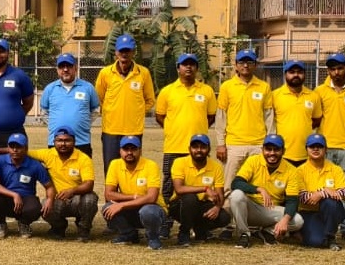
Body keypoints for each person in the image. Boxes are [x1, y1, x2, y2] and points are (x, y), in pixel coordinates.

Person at [154, 53, 217, 237]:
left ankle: (197, 224)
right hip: (174, 147)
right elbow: (159, 116)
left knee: (199, 189)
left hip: (199, 149)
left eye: (192, 64)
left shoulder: (206, 91)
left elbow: (211, 116)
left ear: (196, 68)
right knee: (169, 187)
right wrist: (173, 129)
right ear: (178, 68)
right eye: (184, 64)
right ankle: (166, 224)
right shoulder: (167, 91)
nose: (188, 67)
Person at [313, 53, 345, 242]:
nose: (336, 72)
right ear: (328, 71)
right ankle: (325, 226)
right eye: (332, 69)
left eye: (340, 68)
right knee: (323, 188)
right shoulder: (319, 91)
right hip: (325, 148)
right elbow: (315, 118)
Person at [216, 49, 274, 202]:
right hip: (234, 145)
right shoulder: (227, 87)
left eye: (249, 62)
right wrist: (221, 144)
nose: (245, 65)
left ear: (255, 65)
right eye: (242, 62)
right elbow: (221, 117)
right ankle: (227, 213)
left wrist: (269, 143)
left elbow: (269, 117)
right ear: (236, 65)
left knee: (257, 183)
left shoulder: (264, 87)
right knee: (229, 185)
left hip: (258, 144)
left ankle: (255, 215)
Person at [228, 134, 304, 248]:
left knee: (298, 221)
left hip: (271, 210)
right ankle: (244, 234)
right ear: (262, 149)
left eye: (276, 149)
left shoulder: (291, 170)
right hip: (250, 208)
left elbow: (292, 200)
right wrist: (258, 189)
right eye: (268, 149)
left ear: (283, 151)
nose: (272, 153)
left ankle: (267, 232)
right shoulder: (253, 161)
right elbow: (236, 183)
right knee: (236, 195)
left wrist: (285, 220)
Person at [95, 34, 155, 176]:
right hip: (111, 131)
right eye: (121, 50)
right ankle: (111, 191)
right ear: (116, 52)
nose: (124, 54)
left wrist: (137, 113)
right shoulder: (105, 73)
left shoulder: (143, 73)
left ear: (133, 52)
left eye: (127, 50)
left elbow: (150, 100)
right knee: (111, 170)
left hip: (134, 130)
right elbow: (98, 98)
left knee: (132, 170)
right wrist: (110, 112)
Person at [0, 133, 55, 239]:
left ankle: (24, 223)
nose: (15, 150)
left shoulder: (35, 165)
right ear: (8, 148)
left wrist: (50, 199)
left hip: (26, 199)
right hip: (6, 198)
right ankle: (0, 224)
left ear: (26, 148)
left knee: (35, 208)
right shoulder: (0, 160)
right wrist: (14, 195)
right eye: (12, 147)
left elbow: (49, 186)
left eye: (19, 147)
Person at [103, 136, 167, 250]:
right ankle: (129, 234)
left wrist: (122, 205)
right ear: (120, 151)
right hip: (131, 207)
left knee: (148, 211)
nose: (129, 152)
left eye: (133, 149)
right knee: (107, 208)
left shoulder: (150, 165)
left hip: (153, 208)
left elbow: (152, 197)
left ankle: (153, 237)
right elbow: (109, 194)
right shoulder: (115, 164)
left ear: (140, 150)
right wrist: (134, 196)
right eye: (126, 149)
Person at [32, 129, 98, 240]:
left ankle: (84, 229)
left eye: (67, 140)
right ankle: (59, 228)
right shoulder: (48, 154)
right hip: (58, 199)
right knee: (44, 206)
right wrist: (1, 150)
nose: (63, 144)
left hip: (77, 199)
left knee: (90, 200)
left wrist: (72, 191)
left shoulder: (83, 158)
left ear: (74, 142)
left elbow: (89, 184)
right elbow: (21, 151)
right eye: (59, 140)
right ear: (54, 142)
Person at [168, 134, 230, 246]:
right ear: (189, 149)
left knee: (224, 217)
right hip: (180, 204)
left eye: (203, 147)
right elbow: (179, 189)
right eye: (195, 147)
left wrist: (217, 207)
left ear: (209, 149)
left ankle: (200, 229)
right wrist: (205, 188)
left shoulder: (216, 167)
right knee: (190, 198)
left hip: (202, 204)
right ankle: (184, 232)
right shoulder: (179, 162)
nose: (199, 150)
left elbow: (220, 193)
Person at [39, 53, 99, 156]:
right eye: (62, 66)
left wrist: (82, 123)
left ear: (75, 68)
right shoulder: (50, 89)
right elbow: (44, 112)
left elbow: (95, 110)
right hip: (56, 143)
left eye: (69, 66)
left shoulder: (88, 87)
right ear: (57, 70)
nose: (65, 69)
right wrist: (55, 125)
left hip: (81, 142)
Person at [296, 134, 345, 250]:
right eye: (312, 146)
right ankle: (303, 232)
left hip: (329, 211)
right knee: (316, 242)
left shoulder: (336, 169)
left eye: (319, 146)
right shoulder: (299, 171)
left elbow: (344, 194)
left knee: (331, 203)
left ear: (326, 149)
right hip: (307, 212)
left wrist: (321, 193)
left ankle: (330, 236)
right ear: (306, 149)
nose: (315, 149)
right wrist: (325, 191)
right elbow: (303, 197)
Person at [270, 60, 323, 166]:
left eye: (299, 72)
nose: (296, 75)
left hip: (307, 153)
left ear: (304, 74)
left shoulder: (313, 96)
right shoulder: (274, 96)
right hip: (282, 153)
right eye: (292, 72)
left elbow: (317, 120)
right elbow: (270, 121)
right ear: (285, 74)